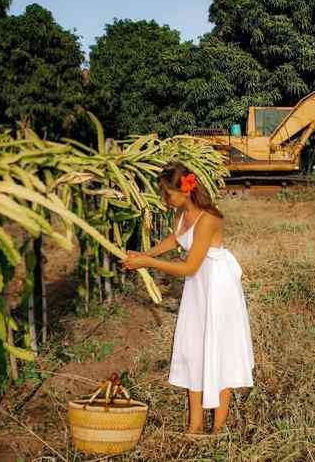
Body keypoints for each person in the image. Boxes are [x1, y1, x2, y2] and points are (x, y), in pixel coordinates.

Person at [120, 161, 254, 436]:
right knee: (194, 348)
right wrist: (147, 253)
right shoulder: (181, 214)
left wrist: (147, 263)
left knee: (218, 352)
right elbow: (175, 239)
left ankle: (217, 430)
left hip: (217, 287)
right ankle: (194, 426)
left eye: (167, 193)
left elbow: (190, 267)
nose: (164, 199)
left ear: (185, 191)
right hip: (198, 287)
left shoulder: (208, 219)